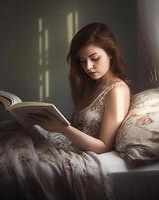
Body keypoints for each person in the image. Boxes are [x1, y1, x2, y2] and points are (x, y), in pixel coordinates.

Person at [29, 22, 131, 154]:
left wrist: (63, 128)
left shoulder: (117, 92)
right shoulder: (94, 83)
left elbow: (104, 146)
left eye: (94, 58)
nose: (88, 66)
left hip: (72, 149)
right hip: (63, 141)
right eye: (83, 61)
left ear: (111, 54)